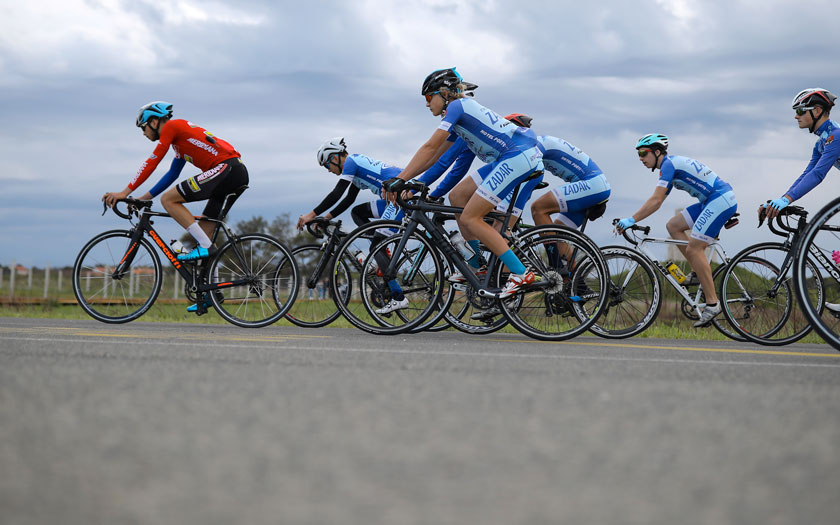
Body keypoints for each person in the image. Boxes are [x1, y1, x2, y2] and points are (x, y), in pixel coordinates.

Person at [383, 68, 545, 299]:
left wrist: (400, 180)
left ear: (445, 93)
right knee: (458, 196)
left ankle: (520, 273)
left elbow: (429, 148)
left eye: (429, 98)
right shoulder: (459, 116)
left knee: (471, 217)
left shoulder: (457, 107)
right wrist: (409, 182)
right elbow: (436, 156)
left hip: (517, 156)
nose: (427, 104)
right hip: (511, 156)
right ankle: (479, 265)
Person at [102, 101, 249, 312]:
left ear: (153, 122)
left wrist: (124, 192)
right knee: (204, 235)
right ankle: (211, 293)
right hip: (232, 172)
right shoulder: (179, 141)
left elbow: (152, 161)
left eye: (143, 127)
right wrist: (142, 198)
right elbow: (172, 174)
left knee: (169, 200)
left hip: (226, 168)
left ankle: (205, 247)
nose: (143, 133)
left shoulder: (171, 127)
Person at [616, 134, 737, 327]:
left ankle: (713, 304)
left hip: (719, 200)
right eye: (638, 154)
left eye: (643, 153)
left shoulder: (668, 165)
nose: (640, 158)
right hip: (711, 201)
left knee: (694, 249)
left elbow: (655, 200)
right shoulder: (669, 167)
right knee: (673, 226)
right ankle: (698, 273)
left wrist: (631, 219)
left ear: (657, 152)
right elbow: (659, 202)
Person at [296, 137, 407, 314]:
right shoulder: (355, 166)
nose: (328, 170)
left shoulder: (351, 163)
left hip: (400, 196)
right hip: (390, 199)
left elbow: (336, 193)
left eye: (326, 166)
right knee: (358, 212)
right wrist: (326, 218)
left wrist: (311, 214)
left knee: (376, 244)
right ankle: (381, 250)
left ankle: (398, 297)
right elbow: (348, 199)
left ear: (334, 158)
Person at [762, 88, 839, 221]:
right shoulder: (820, 144)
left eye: (800, 110)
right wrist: (782, 200)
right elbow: (808, 173)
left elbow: (818, 174)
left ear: (817, 110)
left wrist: (787, 199)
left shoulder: (835, 136)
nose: (796, 116)